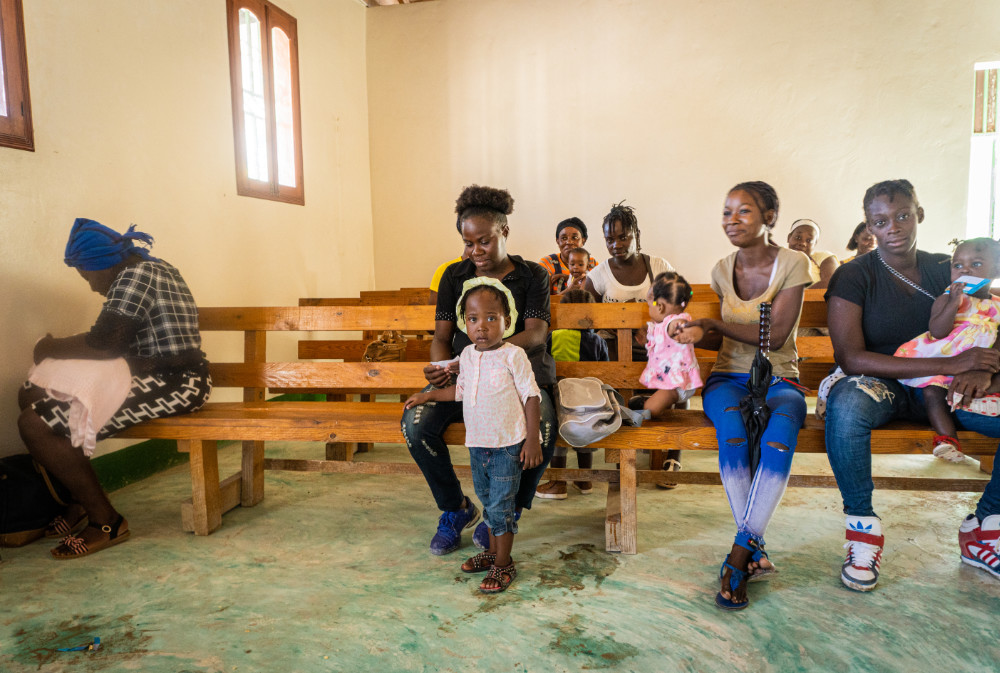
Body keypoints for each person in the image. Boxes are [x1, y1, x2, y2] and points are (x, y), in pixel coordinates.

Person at [823, 179, 1000, 592]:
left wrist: (984, 370)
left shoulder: (953, 267)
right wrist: (952, 361)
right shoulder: (855, 275)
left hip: (947, 390)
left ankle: (984, 526)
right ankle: (862, 531)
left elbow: (992, 320)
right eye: (881, 221)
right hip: (882, 384)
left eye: (903, 215)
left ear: (919, 214)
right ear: (869, 226)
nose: (894, 228)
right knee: (846, 405)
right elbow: (850, 358)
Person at [18, 218, 211, 559]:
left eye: (87, 275)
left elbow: (104, 344)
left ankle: (106, 520)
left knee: (35, 424)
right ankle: (78, 499)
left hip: (178, 383)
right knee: (31, 394)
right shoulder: (147, 268)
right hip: (143, 375)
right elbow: (111, 346)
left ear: (102, 266)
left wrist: (49, 347)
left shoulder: (136, 275)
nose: (91, 287)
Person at [400, 185, 557, 556]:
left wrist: (487, 356)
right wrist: (444, 367)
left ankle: (503, 513)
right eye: (468, 243)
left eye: (483, 241)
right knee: (415, 423)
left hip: (521, 381)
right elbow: (441, 336)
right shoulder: (454, 276)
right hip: (464, 380)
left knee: (545, 429)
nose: (475, 252)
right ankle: (456, 509)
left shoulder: (533, 275)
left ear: (504, 232)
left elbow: (535, 334)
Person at [681, 181, 812, 610]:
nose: (731, 220)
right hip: (727, 379)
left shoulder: (794, 263)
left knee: (780, 435)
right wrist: (688, 334)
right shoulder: (722, 269)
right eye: (726, 212)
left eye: (744, 212)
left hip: (781, 378)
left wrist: (715, 325)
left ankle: (739, 553)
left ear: (769, 217)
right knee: (733, 434)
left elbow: (774, 337)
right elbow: (720, 343)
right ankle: (752, 547)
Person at [404, 280, 542, 593]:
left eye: (492, 318)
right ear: (465, 323)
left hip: (508, 446)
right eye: (473, 319)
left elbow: (532, 396)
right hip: (478, 446)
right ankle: (492, 552)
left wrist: (532, 440)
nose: (482, 326)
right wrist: (427, 397)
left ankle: (503, 565)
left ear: (507, 321)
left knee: (501, 509)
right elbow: (461, 391)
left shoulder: (513, 356)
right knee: (487, 501)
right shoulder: (466, 355)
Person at [893, 238, 1000, 463]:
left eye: (976, 264)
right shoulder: (948, 298)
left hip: (979, 369)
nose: (965, 270)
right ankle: (946, 440)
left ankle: (986, 405)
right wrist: (952, 303)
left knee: (986, 390)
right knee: (933, 392)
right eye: (957, 265)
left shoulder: (998, 304)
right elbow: (938, 331)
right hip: (946, 361)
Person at [536, 289, 609, 499]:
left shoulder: (553, 336)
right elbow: (604, 371)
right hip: (589, 400)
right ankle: (584, 480)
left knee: (560, 435)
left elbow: (544, 365)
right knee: (584, 433)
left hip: (561, 398)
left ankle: (558, 482)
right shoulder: (598, 341)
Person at [539, 217, 598, 294]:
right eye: (564, 238)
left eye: (575, 237)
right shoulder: (547, 263)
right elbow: (543, 303)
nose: (569, 242)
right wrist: (569, 289)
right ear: (557, 241)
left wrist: (568, 278)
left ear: (583, 240)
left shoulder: (591, 263)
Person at [787, 218, 839, 290]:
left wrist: (798, 298)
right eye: (798, 237)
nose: (802, 243)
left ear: (814, 244)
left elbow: (832, 283)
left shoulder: (823, 257)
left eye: (809, 240)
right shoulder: (777, 260)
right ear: (789, 238)